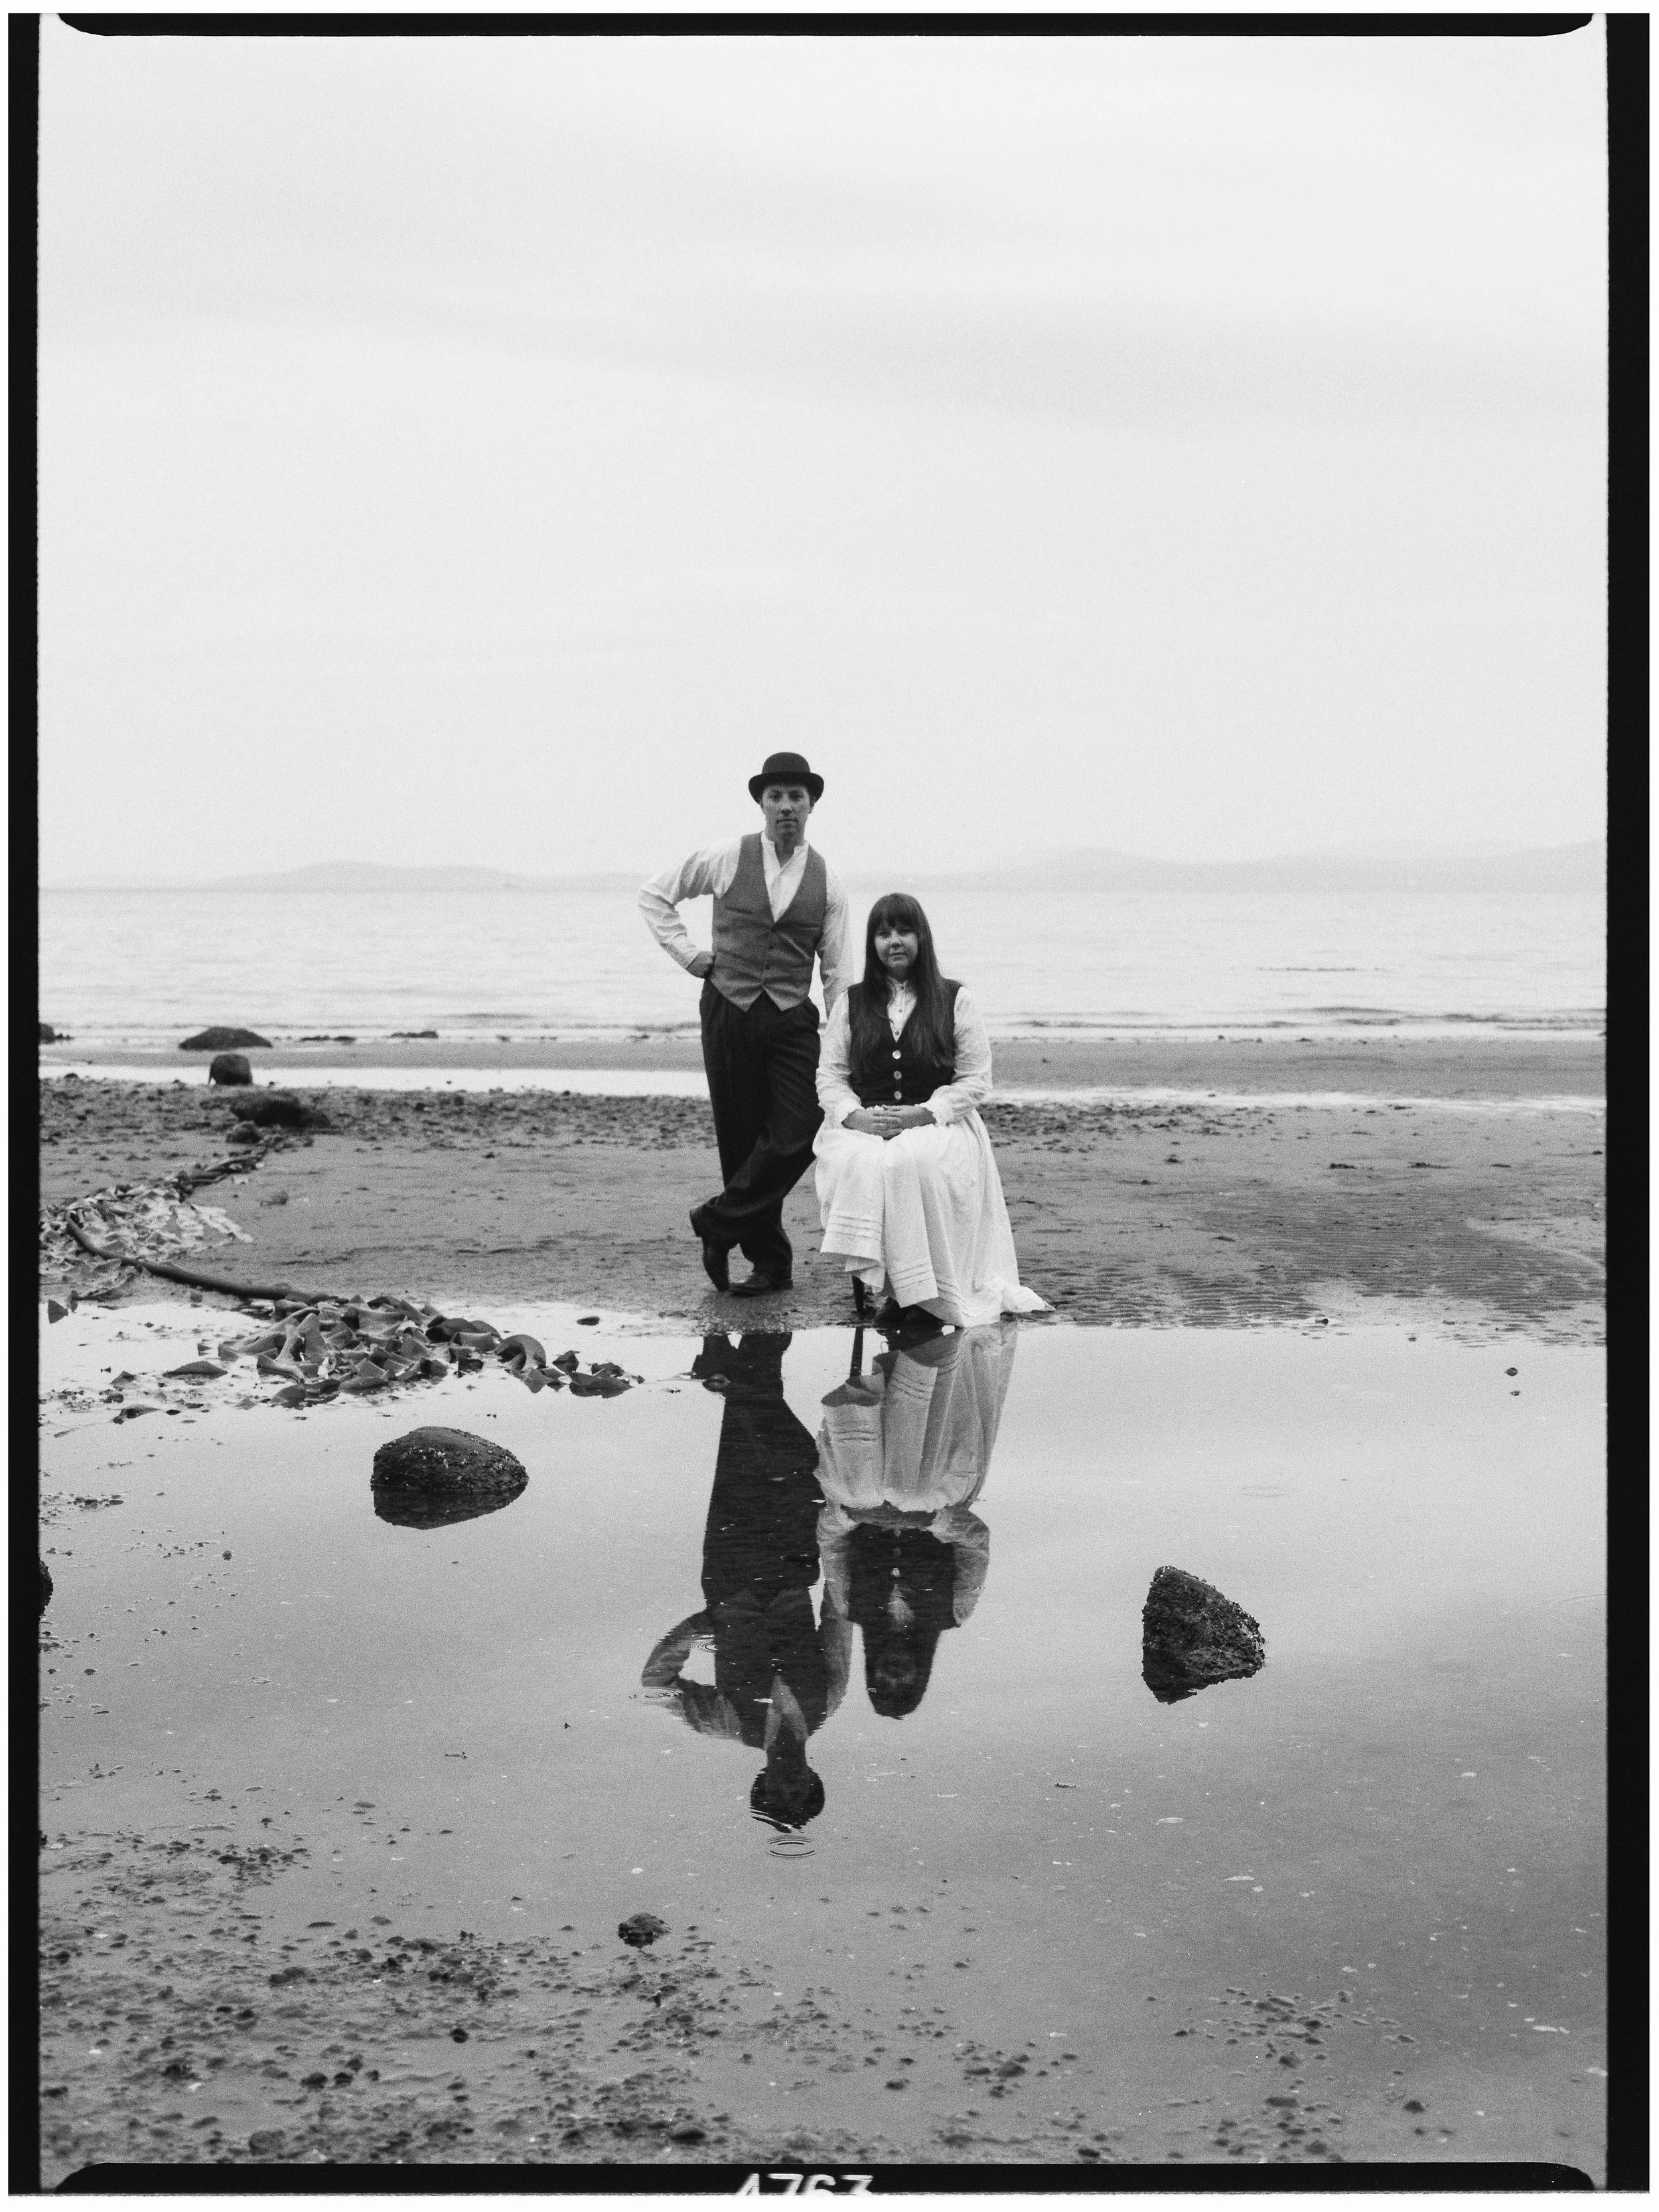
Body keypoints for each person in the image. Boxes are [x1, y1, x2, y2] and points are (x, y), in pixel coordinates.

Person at [640, 752, 853, 1298]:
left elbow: (835, 969)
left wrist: (846, 1038)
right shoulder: (725, 857)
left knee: (805, 1124)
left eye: (796, 797)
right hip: (728, 1007)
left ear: (811, 806)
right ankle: (771, 1265)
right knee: (740, 1140)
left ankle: (717, 1222)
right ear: (762, 803)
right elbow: (656, 894)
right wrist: (690, 957)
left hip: (790, 1015)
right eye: (776, 796)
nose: (786, 806)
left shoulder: (829, 881)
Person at [640, 1332, 851, 1832]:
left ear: (762, 1781)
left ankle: (744, 1362)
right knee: (800, 1468)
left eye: (778, 1790)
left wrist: (701, 1627)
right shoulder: (829, 1701)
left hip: (731, 1570)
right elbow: (838, 1616)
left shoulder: (728, 1724)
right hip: (795, 1563)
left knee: (743, 1456)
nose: (788, 1781)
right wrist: (837, 1543)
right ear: (813, 1780)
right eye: (798, 1790)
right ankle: (753, 1354)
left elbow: (655, 1685)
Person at [812, 892, 1047, 1326]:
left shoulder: (955, 999)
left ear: (922, 937)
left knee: (910, 1160)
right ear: (872, 943)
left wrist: (924, 1113)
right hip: (865, 1122)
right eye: (883, 934)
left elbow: (976, 1080)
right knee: (861, 1161)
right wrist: (855, 1116)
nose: (894, 942)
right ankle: (895, 1289)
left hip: (941, 1122)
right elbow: (830, 1077)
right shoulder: (852, 1002)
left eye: (904, 931)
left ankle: (921, 1294)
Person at [816, 1318, 1017, 1718]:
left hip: (870, 1493)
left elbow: (829, 1540)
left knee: (860, 1488)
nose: (895, 1674)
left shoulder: (848, 1605)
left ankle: (894, 1351)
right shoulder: (955, 1611)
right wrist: (927, 1522)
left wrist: (854, 1515)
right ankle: (937, 1353)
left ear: (871, 1672)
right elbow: (976, 1540)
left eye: (883, 1681)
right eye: (904, 1683)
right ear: (920, 1676)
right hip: (934, 1488)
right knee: (915, 1491)